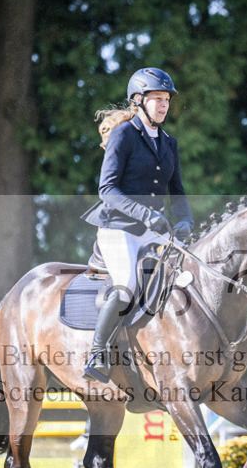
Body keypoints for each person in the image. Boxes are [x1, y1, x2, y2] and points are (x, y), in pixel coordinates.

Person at [81, 67, 194, 383]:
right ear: (139, 100)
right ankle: (98, 353)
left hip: (154, 230)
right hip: (119, 229)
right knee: (127, 285)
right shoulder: (124, 135)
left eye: (167, 99)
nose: (163, 105)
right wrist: (146, 216)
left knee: (188, 275)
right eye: (157, 98)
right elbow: (107, 190)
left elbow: (178, 191)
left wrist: (185, 219)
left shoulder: (169, 142)